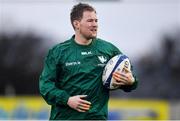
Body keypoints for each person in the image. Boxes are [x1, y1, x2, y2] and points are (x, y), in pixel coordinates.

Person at [39, 3, 138, 120]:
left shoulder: (109, 50)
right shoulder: (58, 52)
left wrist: (131, 81)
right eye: (90, 21)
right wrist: (67, 100)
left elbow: (129, 78)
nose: (95, 24)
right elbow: (45, 86)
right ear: (76, 24)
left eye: (96, 20)